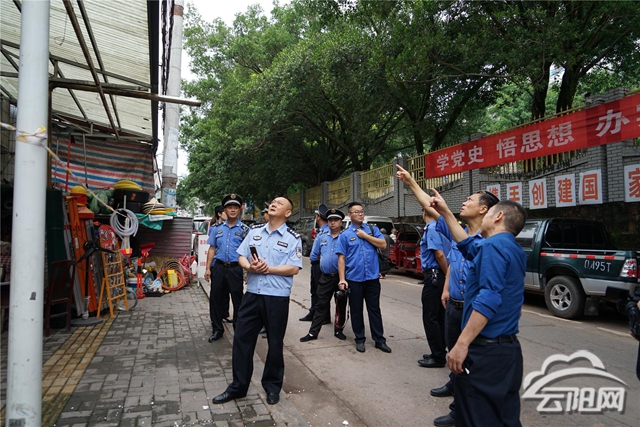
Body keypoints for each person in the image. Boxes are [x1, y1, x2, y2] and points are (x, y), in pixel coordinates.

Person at [396, 164, 499, 427]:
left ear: (484, 209)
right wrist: (410, 182)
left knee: (470, 359)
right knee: (454, 354)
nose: (464, 202)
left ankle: (464, 410)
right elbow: (452, 257)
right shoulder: (457, 231)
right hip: (454, 303)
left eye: (470, 199)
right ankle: (455, 389)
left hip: (472, 310)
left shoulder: (490, 241)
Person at [430, 188, 527, 427]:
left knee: (476, 418)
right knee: (504, 419)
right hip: (507, 353)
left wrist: (461, 344)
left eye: (488, 213)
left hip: (486, 354)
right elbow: (466, 245)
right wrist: (446, 212)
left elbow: (489, 298)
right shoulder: (510, 248)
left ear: (498, 216)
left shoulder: (493, 248)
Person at [211, 196, 302, 406]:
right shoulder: (254, 232)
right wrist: (249, 267)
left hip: (276, 297)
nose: (274, 204)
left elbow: (294, 268)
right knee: (241, 340)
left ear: (288, 213)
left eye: (280, 203)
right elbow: (241, 256)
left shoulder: (292, 238)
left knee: (275, 343)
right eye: (273, 202)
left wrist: (268, 269)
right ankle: (238, 386)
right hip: (252, 294)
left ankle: (272, 387)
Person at [337, 202, 392, 353]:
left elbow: (383, 245)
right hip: (354, 278)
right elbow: (341, 258)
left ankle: (379, 340)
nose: (360, 214)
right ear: (349, 215)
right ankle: (360, 339)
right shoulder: (345, 235)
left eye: (362, 211)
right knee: (356, 310)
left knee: (374, 309)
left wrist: (366, 236)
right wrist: (342, 279)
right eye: (356, 212)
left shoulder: (372, 230)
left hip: (372, 278)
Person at [204, 194, 249, 342]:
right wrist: (208, 268)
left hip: (236, 269)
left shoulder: (245, 230)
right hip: (219, 268)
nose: (233, 210)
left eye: (236, 207)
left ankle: (239, 330)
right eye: (230, 207)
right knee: (216, 299)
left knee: (238, 300)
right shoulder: (216, 229)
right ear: (225, 210)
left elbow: (249, 252)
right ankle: (217, 329)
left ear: (239, 210)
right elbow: (212, 248)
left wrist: (247, 271)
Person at [300, 208, 348, 342]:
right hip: (326, 276)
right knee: (320, 305)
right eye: (330, 220)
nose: (332, 222)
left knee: (340, 305)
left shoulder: (345, 237)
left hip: (340, 277)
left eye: (336, 220)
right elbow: (315, 254)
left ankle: (338, 330)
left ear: (341, 222)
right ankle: (313, 332)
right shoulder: (322, 237)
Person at [417, 207, 450, 368]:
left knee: (430, 317)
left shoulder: (432, 228)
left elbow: (439, 254)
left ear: (424, 212)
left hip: (436, 275)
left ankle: (438, 356)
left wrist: (447, 274)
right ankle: (440, 351)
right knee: (440, 317)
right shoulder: (446, 228)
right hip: (442, 276)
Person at [300, 204, 331, 323]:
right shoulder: (321, 230)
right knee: (315, 291)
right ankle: (314, 312)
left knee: (320, 292)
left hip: (320, 265)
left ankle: (322, 316)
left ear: (318, 217)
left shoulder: (326, 231)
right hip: (315, 265)